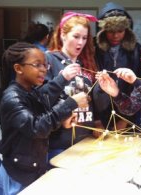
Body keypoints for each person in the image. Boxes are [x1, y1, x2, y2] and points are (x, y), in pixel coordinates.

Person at [0, 42, 89, 194]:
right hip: (21, 172)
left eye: (45, 65)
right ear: (18, 68)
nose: (43, 70)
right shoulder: (12, 98)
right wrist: (71, 103)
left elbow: (45, 98)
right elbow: (37, 128)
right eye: (37, 65)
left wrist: (63, 121)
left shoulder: (30, 90)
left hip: (33, 163)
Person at [45, 11, 102, 153]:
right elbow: (41, 99)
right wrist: (60, 120)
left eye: (84, 37)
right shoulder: (49, 60)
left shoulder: (87, 63)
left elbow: (91, 99)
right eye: (76, 36)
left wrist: (97, 120)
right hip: (60, 141)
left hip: (86, 137)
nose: (81, 42)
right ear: (63, 35)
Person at [93, 2, 141, 130]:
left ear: (127, 30)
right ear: (103, 30)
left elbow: (140, 86)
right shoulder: (92, 49)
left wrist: (127, 120)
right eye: (110, 31)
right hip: (98, 115)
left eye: (120, 31)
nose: (116, 35)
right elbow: (87, 85)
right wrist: (95, 120)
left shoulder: (137, 51)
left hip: (128, 114)